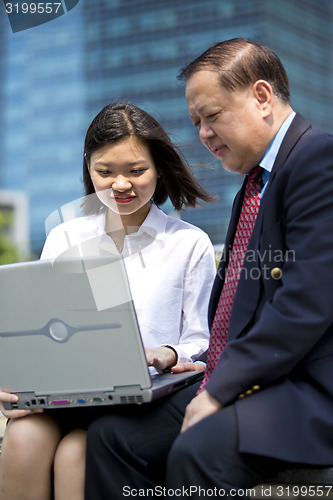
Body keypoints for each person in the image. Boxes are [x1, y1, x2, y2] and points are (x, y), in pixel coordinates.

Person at [84, 38, 333, 499]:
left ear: (261, 97)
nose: (203, 133)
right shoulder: (256, 183)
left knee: (197, 450)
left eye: (212, 115)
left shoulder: (318, 161)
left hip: (308, 391)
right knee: (111, 437)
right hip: (247, 379)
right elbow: (238, 313)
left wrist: (219, 390)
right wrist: (195, 366)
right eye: (196, 121)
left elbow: (305, 302)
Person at [0, 103, 216, 500]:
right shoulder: (66, 238)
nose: (121, 184)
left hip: (140, 403)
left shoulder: (188, 244)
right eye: (105, 172)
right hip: (67, 394)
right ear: (88, 168)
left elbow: (201, 339)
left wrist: (168, 353)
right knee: (24, 440)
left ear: (160, 168)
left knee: (74, 454)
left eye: (136, 171)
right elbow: (40, 331)